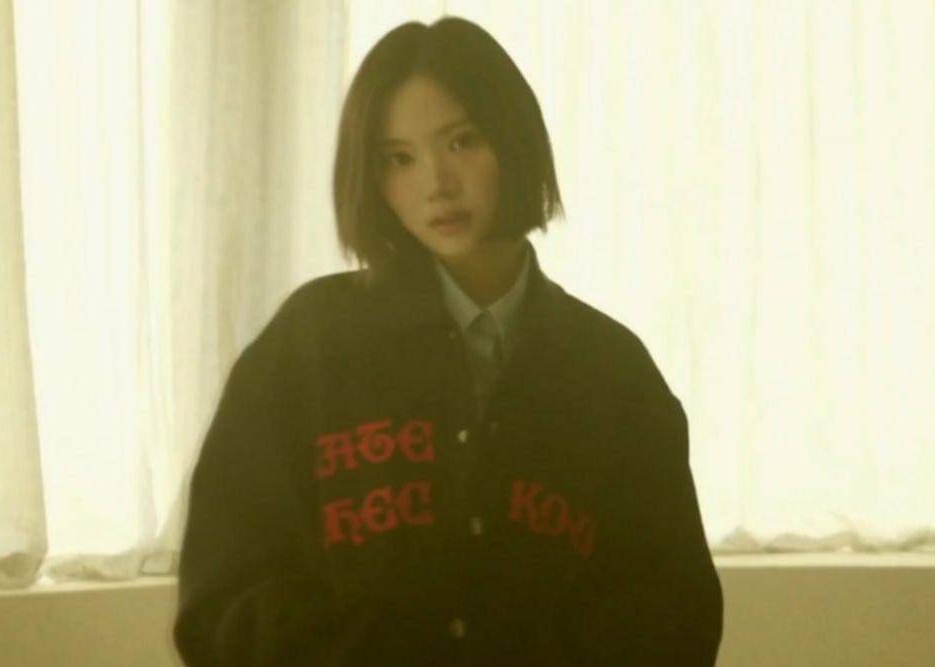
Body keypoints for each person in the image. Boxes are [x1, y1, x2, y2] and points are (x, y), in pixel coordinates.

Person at [173, 15, 722, 667]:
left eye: (462, 142)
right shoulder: (308, 344)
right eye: (398, 158)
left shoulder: (611, 371)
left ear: (512, 140)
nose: (437, 182)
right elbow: (224, 598)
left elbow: (674, 611)